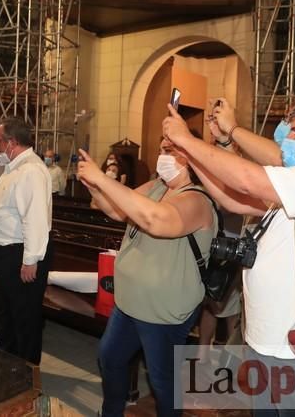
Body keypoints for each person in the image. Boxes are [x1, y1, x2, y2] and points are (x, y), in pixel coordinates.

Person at [163, 97, 295, 416]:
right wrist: (190, 156)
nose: (286, 139)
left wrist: (187, 139)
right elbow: (232, 199)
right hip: (270, 342)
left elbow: (248, 178)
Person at [76, 137, 216, 417]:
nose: (160, 156)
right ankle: (112, 412)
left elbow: (156, 220)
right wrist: (95, 184)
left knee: (162, 380)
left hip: (163, 308)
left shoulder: (197, 199)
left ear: (189, 158)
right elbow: (117, 210)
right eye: (160, 149)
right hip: (130, 302)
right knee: (110, 357)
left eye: (168, 151)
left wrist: (104, 182)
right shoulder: (156, 187)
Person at [0, 117, 52, 365]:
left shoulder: (31, 170)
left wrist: (30, 260)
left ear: (12, 142)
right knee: (8, 312)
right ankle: (9, 364)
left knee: (25, 317)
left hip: (19, 254)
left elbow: (35, 217)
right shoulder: (14, 168)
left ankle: (27, 374)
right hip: (7, 254)